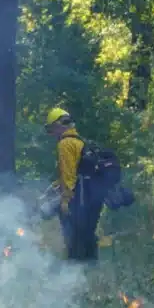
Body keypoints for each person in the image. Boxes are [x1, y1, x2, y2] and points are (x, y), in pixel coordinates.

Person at [43, 106, 106, 263]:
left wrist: (65, 200)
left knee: (74, 240)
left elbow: (69, 174)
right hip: (93, 198)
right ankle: (92, 274)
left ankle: (75, 275)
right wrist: (54, 186)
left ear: (58, 125)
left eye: (52, 129)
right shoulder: (80, 142)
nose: (52, 134)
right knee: (87, 235)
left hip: (78, 199)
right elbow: (77, 172)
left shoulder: (65, 144)